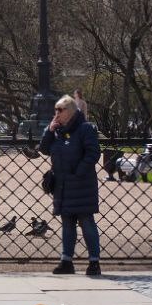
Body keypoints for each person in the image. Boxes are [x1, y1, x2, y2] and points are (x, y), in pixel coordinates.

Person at [41, 95, 101, 276]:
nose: (56, 113)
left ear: (71, 111)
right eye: (55, 110)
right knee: (67, 223)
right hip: (62, 185)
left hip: (81, 184)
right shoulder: (57, 131)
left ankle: (94, 262)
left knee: (86, 221)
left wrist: (78, 172)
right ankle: (66, 261)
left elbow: (93, 154)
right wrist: (49, 131)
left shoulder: (85, 129)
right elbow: (43, 149)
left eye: (60, 110)